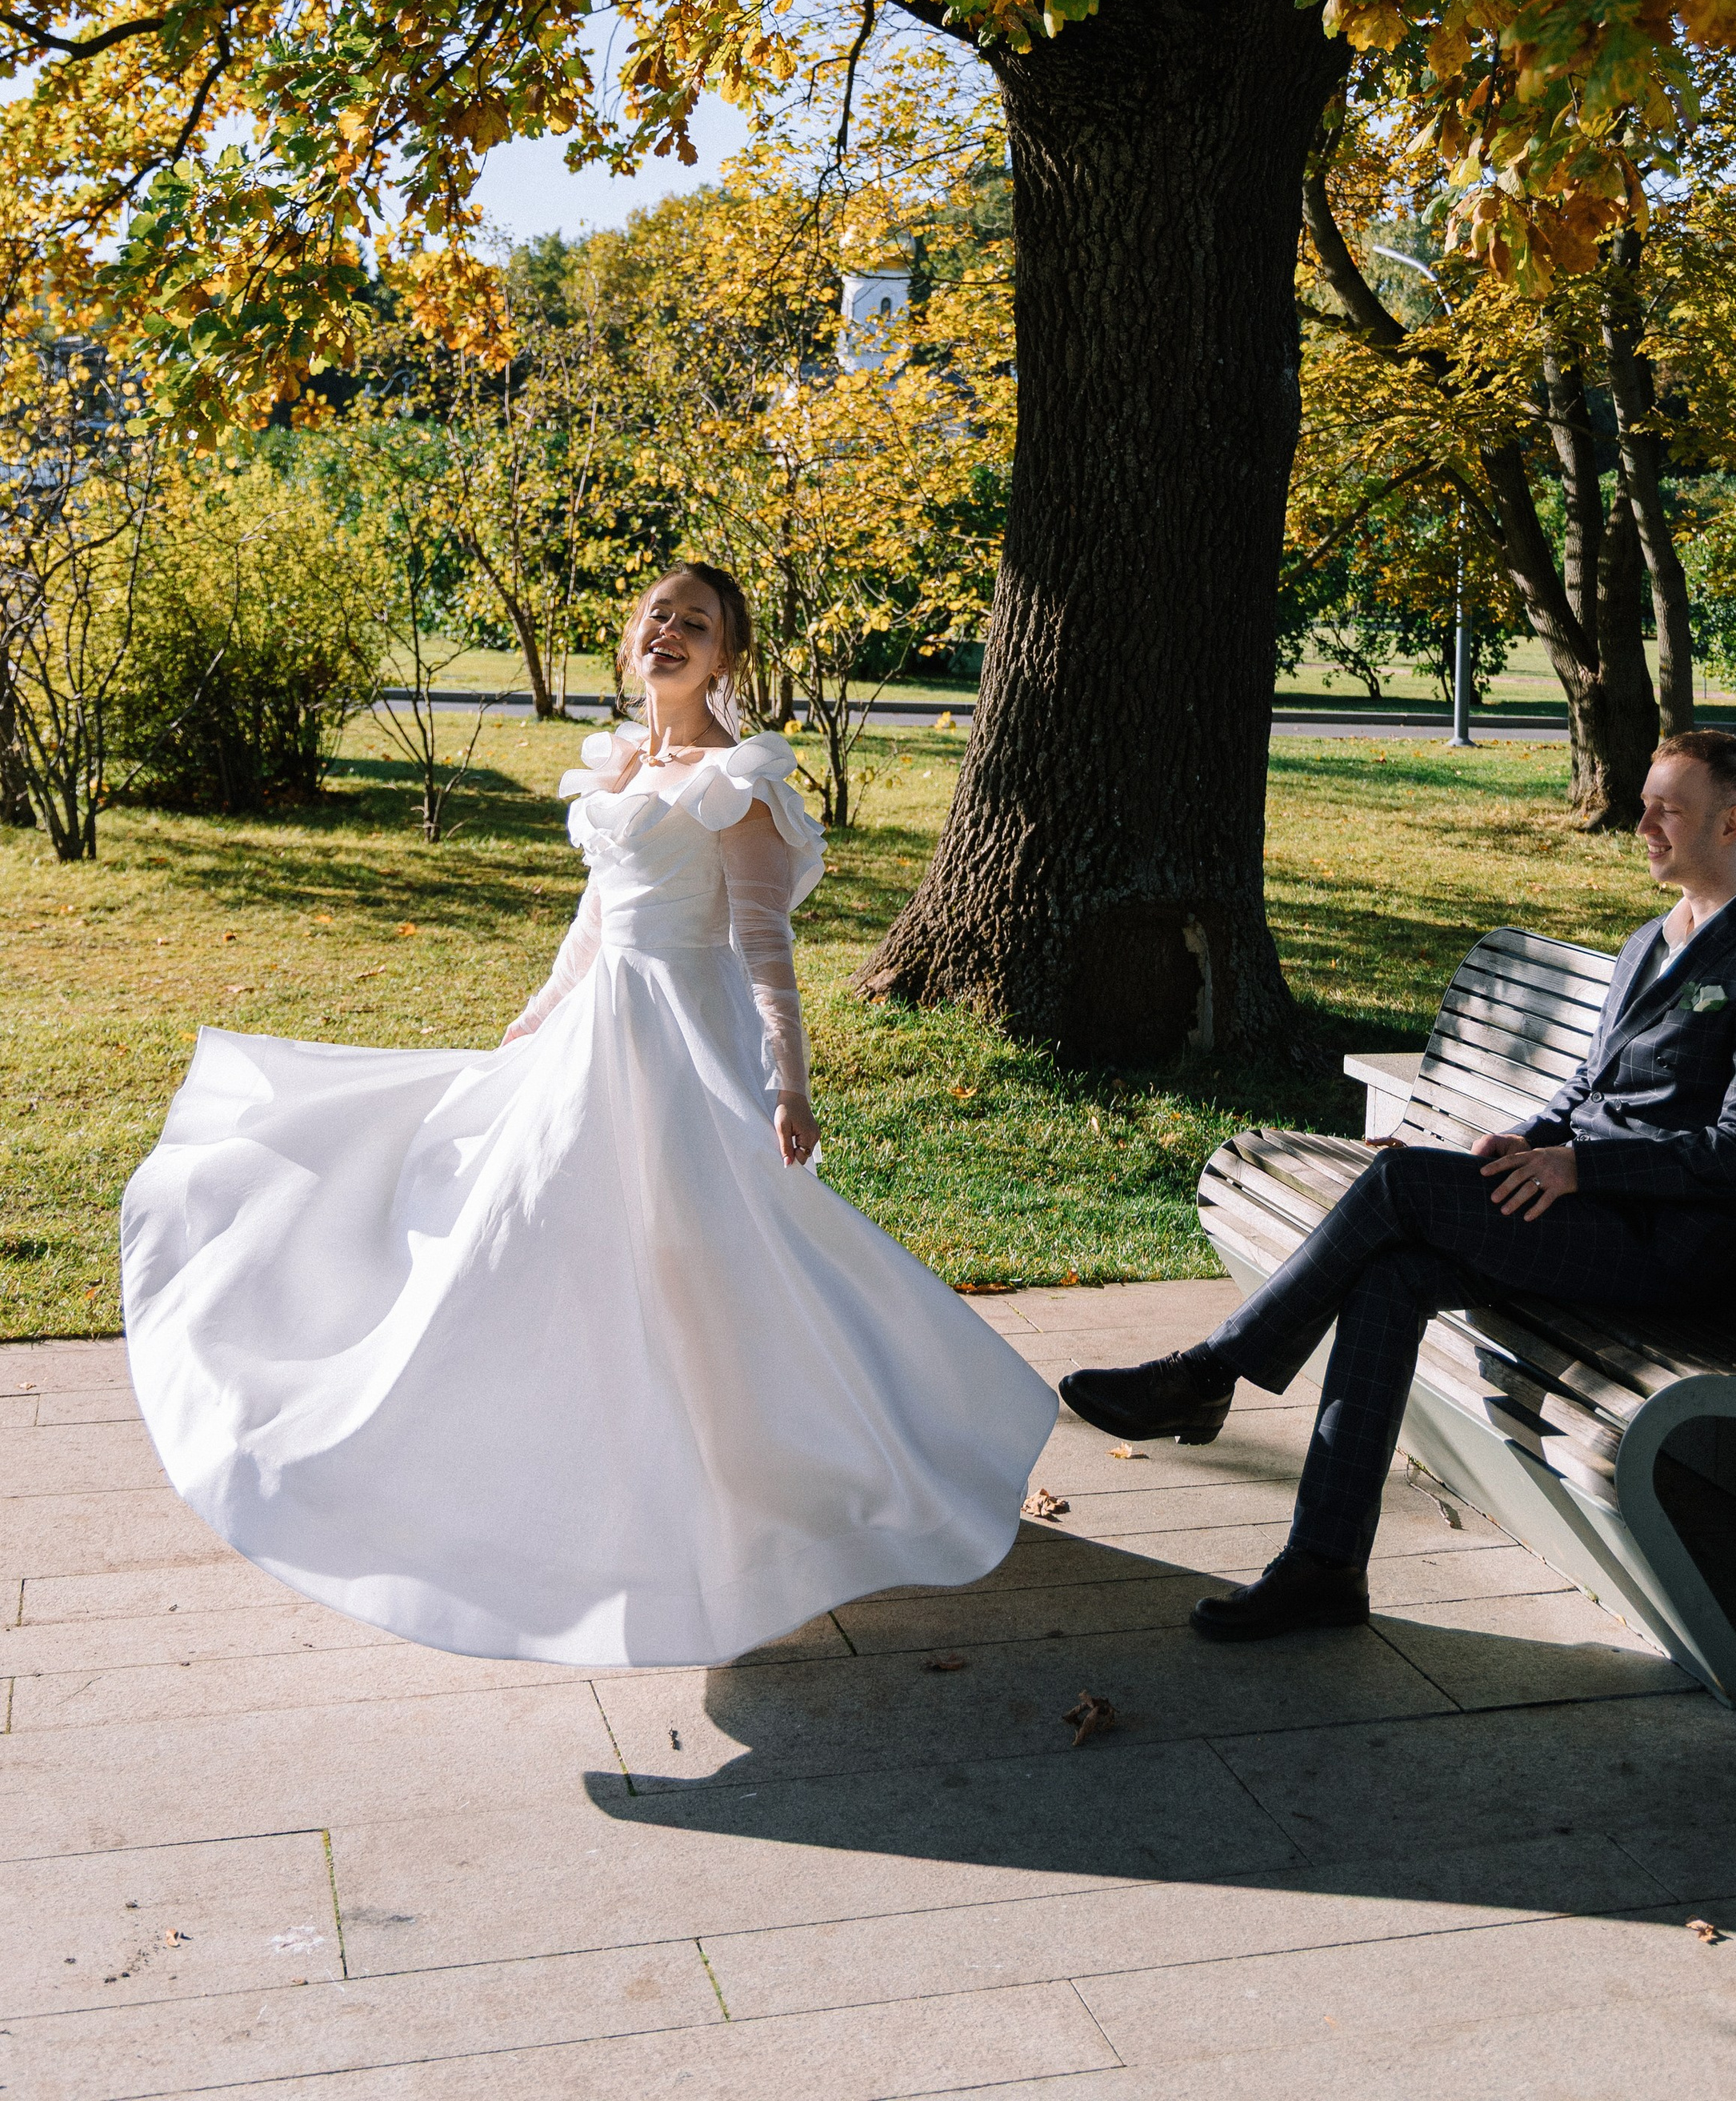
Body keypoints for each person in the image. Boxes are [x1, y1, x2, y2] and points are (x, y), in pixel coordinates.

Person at [122, 562, 1054, 1667]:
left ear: (725, 656)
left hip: (683, 1041)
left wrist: (788, 1084)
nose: (669, 633)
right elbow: (593, 924)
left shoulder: (737, 781)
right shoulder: (619, 762)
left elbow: (767, 951)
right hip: (591, 1036)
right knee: (531, 1232)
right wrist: (536, 1014)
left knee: (701, 1261)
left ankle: (795, 1483)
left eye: (695, 625)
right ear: (631, 636)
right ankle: (545, 1478)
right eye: (657, 615)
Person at [1058, 727, 1736, 1644]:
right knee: (1392, 1279)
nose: (1643, 827)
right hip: (1580, 1207)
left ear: (1733, 822)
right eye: (1643, 806)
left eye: (1666, 810)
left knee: (1397, 1183)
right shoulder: (1652, 939)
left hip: (1662, 1245)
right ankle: (1324, 1567)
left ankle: (1207, 1374)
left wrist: (1580, 1165)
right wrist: (1528, 1141)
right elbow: (1590, 1089)